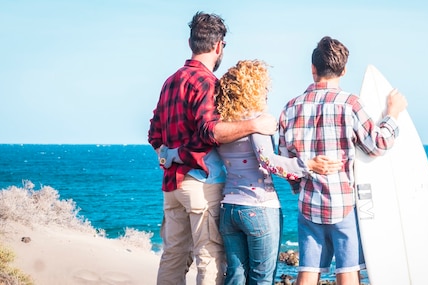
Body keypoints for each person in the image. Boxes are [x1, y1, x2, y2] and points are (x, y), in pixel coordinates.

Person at [147, 12, 277, 285]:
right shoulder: (207, 83)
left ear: (190, 42)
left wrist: (169, 156)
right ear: (219, 46)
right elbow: (212, 131)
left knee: (173, 256)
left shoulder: (170, 81)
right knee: (209, 256)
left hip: (172, 186)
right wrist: (255, 124)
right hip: (200, 182)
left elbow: (154, 134)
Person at [277, 36, 407, 285]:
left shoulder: (290, 108)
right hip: (344, 203)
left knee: (307, 271)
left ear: (313, 69)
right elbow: (377, 144)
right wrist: (392, 114)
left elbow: (286, 163)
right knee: (347, 272)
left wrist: (299, 187)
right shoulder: (350, 104)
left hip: (308, 204)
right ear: (344, 70)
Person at [211, 59, 342, 285]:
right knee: (261, 279)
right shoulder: (256, 121)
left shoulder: (225, 124)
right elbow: (269, 161)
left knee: (235, 276)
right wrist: (307, 165)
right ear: (253, 87)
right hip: (259, 207)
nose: (266, 92)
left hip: (229, 208)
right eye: (264, 87)